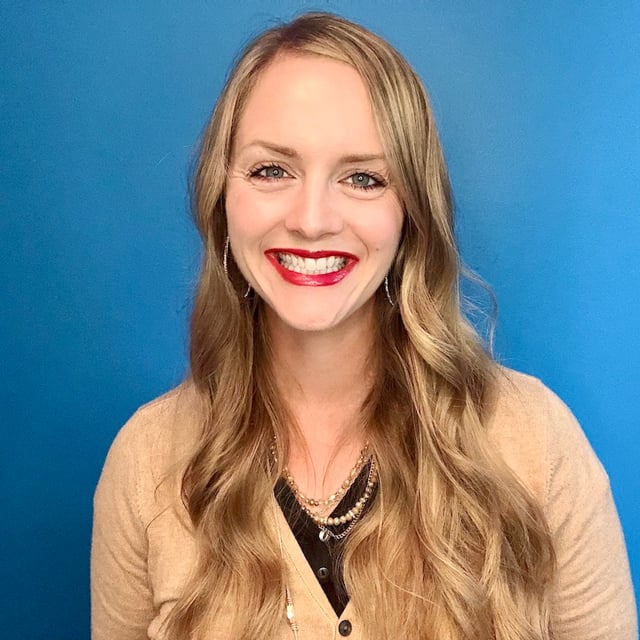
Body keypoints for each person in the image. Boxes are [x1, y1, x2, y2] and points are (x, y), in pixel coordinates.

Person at [91, 12, 637, 640]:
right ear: (223, 195)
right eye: (273, 169)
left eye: (362, 177)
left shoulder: (536, 443)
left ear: (410, 211)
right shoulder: (145, 462)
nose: (313, 219)